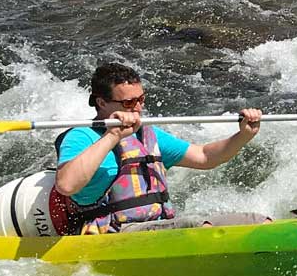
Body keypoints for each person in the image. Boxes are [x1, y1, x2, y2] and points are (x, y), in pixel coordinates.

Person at [53, 63, 270, 233]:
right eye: (129, 103)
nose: (138, 108)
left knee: (260, 222)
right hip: (114, 231)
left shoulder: (148, 135)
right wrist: (113, 136)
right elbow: (66, 185)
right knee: (198, 227)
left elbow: (205, 157)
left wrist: (243, 135)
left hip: (158, 227)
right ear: (101, 103)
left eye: (141, 100)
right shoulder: (81, 136)